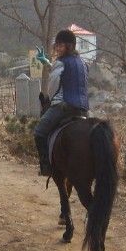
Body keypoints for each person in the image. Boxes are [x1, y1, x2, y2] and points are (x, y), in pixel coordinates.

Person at [33, 29, 89, 176]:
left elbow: (53, 85)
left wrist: (51, 100)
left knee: (39, 132)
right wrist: (46, 62)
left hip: (64, 107)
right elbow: (69, 75)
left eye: (60, 45)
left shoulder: (60, 62)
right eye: (56, 45)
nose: (57, 48)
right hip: (83, 109)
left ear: (69, 46)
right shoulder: (83, 63)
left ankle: (46, 167)